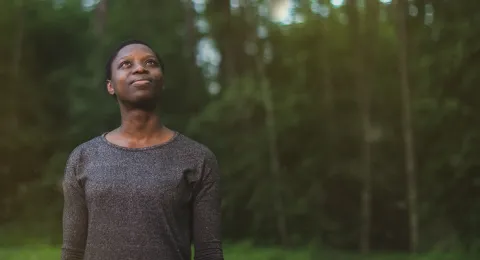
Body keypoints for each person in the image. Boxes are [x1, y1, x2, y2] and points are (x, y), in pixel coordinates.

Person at [61, 40, 224, 260]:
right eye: (126, 64)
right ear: (110, 86)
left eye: (150, 62)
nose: (140, 68)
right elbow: (72, 251)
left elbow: (209, 252)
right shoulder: (83, 158)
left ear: (162, 80)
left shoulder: (198, 158)